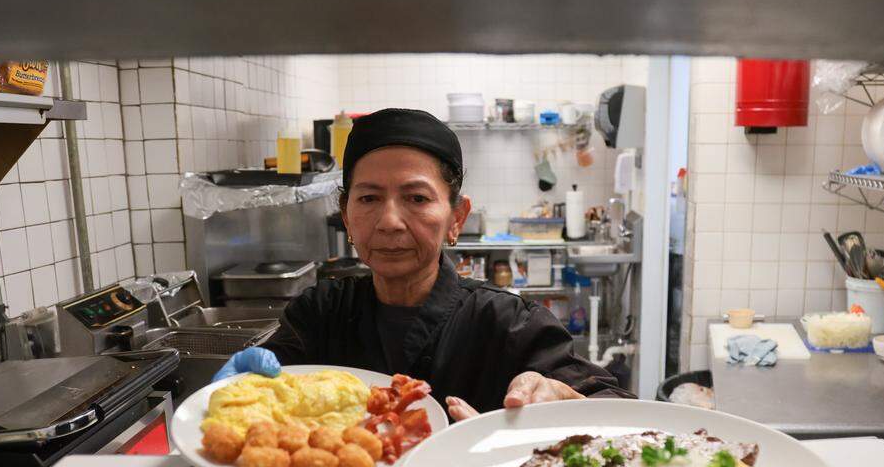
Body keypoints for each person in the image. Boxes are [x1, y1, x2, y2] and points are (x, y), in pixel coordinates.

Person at [214, 108, 630, 420]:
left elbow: (617, 411)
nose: (390, 221)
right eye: (368, 198)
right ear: (347, 216)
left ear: (457, 217)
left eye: (416, 198)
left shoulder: (509, 323)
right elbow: (262, 401)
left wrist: (562, 400)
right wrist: (238, 389)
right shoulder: (320, 312)